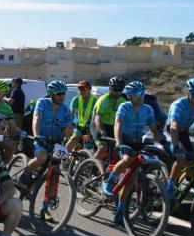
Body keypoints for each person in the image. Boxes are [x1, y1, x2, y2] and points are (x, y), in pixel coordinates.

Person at [101, 81, 166, 224]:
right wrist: (119, 143)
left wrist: (164, 143)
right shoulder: (124, 106)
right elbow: (117, 124)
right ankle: (109, 181)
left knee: (130, 181)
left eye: (142, 94)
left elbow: (154, 130)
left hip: (138, 143)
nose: (140, 97)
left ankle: (119, 212)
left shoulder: (148, 109)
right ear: (130, 96)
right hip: (124, 141)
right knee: (128, 158)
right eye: (136, 94)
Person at [18, 80, 73, 221]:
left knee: (54, 174)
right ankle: (26, 174)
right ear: (51, 94)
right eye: (59, 94)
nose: (62, 96)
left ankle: (45, 209)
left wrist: (64, 128)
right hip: (41, 139)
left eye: (63, 94)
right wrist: (36, 137)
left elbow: (70, 131)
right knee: (41, 158)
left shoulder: (66, 109)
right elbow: (36, 118)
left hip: (56, 143)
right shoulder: (42, 103)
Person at [93, 76, 127, 160]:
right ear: (110, 88)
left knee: (121, 149)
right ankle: (91, 164)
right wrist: (102, 131)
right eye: (115, 89)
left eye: (120, 90)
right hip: (98, 126)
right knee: (103, 147)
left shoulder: (123, 101)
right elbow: (98, 118)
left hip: (113, 127)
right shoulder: (103, 100)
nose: (118, 92)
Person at [66, 80, 95, 152]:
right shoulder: (76, 99)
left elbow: (96, 118)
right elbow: (71, 115)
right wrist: (71, 126)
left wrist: (90, 133)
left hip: (90, 129)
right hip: (78, 127)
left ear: (89, 89)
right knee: (73, 139)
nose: (82, 91)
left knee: (88, 146)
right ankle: (63, 159)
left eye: (85, 89)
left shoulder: (95, 100)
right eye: (80, 89)